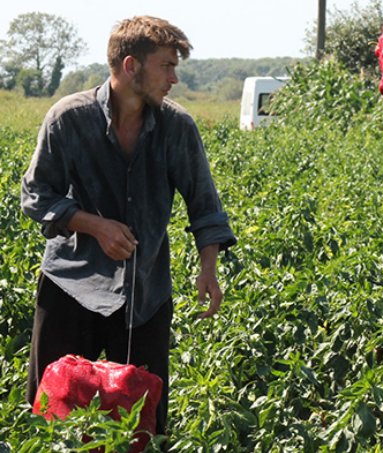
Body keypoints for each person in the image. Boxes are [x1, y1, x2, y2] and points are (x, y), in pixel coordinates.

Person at [20, 16, 236, 436]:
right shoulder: (69, 119)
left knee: (143, 424)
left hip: (145, 292)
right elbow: (35, 195)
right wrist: (93, 225)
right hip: (70, 284)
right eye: (166, 66)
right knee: (53, 414)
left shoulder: (177, 128)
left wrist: (208, 268)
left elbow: (204, 206)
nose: (174, 78)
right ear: (131, 66)